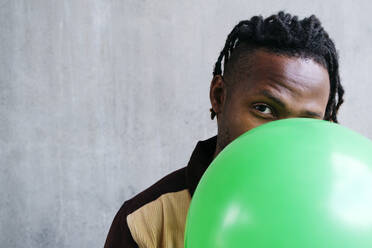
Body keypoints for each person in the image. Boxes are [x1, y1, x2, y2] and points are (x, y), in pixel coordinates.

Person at [104, 11, 344, 248]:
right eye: (264, 109)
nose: (283, 137)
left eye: (307, 121)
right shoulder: (146, 223)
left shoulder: (344, 214)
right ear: (219, 96)